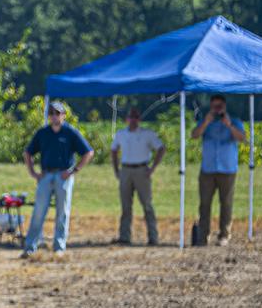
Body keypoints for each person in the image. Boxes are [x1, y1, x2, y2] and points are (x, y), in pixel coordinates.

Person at [21, 101, 94, 258]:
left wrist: (73, 171)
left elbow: (88, 152)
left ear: (64, 115)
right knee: (39, 211)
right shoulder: (43, 133)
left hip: (63, 176)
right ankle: (30, 247)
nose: (54, 116)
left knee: (62, 212)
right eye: (51, 113)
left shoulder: (70, 132)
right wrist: (34, 173)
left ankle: (59, 247)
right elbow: (27, 152)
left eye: (57, 113)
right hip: (46, 175)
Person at [192, 93, 246, 247]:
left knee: (226, 203)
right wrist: (206, 122)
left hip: (227, 169)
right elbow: (194, 135)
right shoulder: (206, 122)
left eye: (219, 106)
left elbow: (241, 138)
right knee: (204, 204)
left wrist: (228, 125)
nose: (217, 109)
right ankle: (203, 236)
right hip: (208, 169)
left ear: (224, 106)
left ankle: (224, 235)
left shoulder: (234, 121)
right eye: (214, 106)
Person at [111, 105, 165, 246]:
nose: (133, 120)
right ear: (126, 119)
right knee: (125, 206)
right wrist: (116, 170)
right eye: (131, 117)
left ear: (139, 119)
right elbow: (114, 150)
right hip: (126, 170)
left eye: (136, 117)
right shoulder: (121, 134)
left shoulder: (147, 134)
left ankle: (153, 237)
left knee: (147, 205)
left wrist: (153, 168)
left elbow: (161, 148)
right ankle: (124, 236)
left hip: (142, 170)